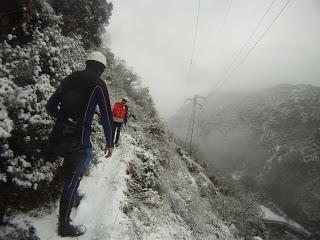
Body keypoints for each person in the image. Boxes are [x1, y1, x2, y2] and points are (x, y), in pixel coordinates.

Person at [46, 51, 114, 237]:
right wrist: (110, 143)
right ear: (101, 68)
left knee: (74, 166)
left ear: (87, 63)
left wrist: (64, 118)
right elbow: (107, 117)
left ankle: (74, 198)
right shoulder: (98, 84)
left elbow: (50, 106)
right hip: (78, 138)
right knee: (74, 175)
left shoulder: (70, 78)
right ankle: (64, 226)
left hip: (58, 135)